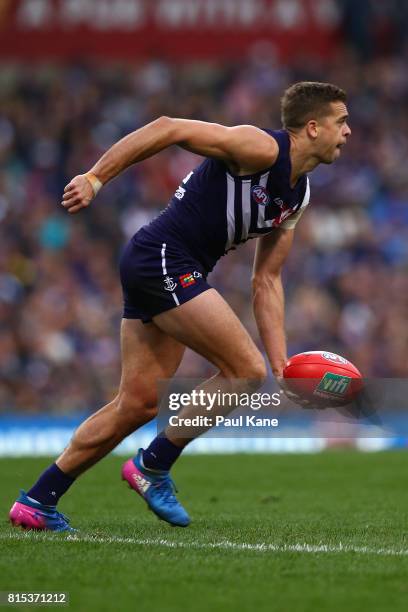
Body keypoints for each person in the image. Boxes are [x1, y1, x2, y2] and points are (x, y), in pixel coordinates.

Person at [9, 82, 351, 531]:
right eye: (341, 122)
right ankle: (153, 465)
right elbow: (169, 128)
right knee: (244, 371)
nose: (348, 132)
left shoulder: (298, 195)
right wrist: (96, 178)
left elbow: (266, 280)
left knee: (138, 404)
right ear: (312, 127)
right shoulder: (261, 147)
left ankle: (37, 500)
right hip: (163, 257)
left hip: (165, 263)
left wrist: (283, 361)